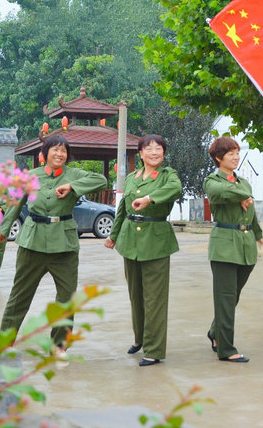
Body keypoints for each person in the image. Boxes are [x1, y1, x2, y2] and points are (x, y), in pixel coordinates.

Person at [0, 135, 107, 350]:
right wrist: (3, 229)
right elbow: (15, 204)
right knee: (19, 297)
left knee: (66, 299)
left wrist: (72, 186)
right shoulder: (32, 176)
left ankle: (59, 346)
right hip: (32, 242)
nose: (59, 154)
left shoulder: (74, 174)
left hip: (64, 246)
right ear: (44, 154)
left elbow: (101, 180)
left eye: (63, 150)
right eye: (54, 150)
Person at [104, 134, 182, 367]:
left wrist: (149, 198)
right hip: (131, 240)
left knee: (155, 298)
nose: (154, 152)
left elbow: (175, 189)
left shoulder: (169, 175)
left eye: (159, 148)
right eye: (149, 148)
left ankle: (155, 349)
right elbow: (122, 209)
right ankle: (140, 338)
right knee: (136, 295)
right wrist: (114, 235)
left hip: (156, 240)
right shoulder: (131, 177)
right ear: (140, 153)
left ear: (164, 153)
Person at [203, 137, 263, 363]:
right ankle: (226, 349)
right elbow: (220, 192)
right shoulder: (211, 180)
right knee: (225, 297)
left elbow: (250, 203)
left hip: (245, 244)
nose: (236, 157)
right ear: (219, 158)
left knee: (232, 296)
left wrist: (257, 234)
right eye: (231, 154)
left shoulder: (241, 181)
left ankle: (215, 332)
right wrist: (242, 195)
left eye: (237, 153)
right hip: (225, 245)